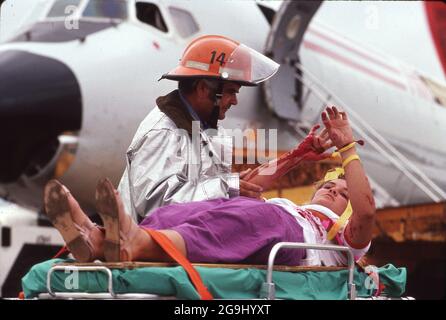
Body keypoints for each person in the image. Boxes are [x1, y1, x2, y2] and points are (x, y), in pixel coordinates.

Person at [43, 107, 375, 266]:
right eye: (330, 186)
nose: (335, 190)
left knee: (254, 217)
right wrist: (300, 155)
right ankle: (97, 239)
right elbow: (250, 184)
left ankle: (137, 245)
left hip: (282, 234)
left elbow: (367, 209)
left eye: (344, 195)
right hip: (267, 218)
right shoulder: (291, 209)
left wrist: (347, 149)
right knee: (185, 209)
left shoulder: (343, 239)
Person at [117, 35, 280, 222]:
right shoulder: (164, 132)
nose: (234, 101)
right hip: (150, 249)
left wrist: (232, 185)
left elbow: (199, 187)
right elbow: (155, 204)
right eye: (230, 92)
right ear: (203, 88)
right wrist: (225, 187)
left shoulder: (198, 128)